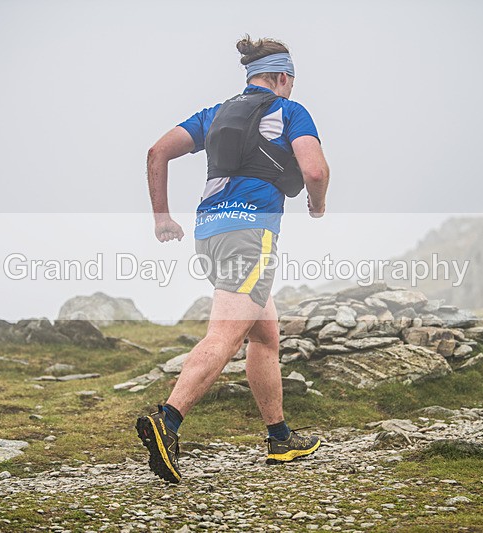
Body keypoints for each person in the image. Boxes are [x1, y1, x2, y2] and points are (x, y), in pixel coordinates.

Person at [137, 35, 330, 483]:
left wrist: (162, 218)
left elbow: (156, 151)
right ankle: (168, 422)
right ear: (283, 77)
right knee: (224, 336)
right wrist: (317, 205)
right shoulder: (290, 111)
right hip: (251, 235)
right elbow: (315, 170)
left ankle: (280, 438)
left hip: (210, 234)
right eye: (291, 81)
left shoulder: (215, 114)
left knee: (264, 337)